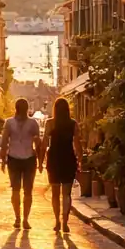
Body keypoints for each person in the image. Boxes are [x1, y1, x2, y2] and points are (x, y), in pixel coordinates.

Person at [0, 98, 45, 229]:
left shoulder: (10, 123)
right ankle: (23, 219)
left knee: (17, 190)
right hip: (27, 159)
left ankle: (19, 218)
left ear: (16, 108)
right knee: (26, 191)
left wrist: (3, 160)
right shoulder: (32, 123)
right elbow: (38, 144)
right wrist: (40, 160)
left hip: (15, 158)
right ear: (27, 109)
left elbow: (3, 142)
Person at [44, 97, 84, 234]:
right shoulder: (73, 124)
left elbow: (44, 143)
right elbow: (78, 144)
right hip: (68, 158)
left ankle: (57, 221)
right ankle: (65, 222)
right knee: (66, 193)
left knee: (55, 193)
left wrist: (40, 160)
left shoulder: (50, 123)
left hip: (54, 159)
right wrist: (80, 158)